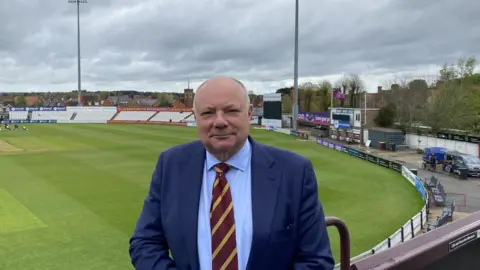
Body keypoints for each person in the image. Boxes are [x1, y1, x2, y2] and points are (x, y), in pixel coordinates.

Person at [129, 76, 334, 270]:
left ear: (249, 113)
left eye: (231, 111)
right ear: (196, 117)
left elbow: (316, 260)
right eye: (208, 113)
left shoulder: (294, 172)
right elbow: (145, 243)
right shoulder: (171, 165)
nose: (219, 121)